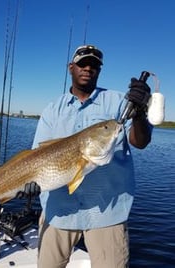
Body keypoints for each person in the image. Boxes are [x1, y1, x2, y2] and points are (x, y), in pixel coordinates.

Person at [31, 45, 152, 268]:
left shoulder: (119, 102)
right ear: (71, 68)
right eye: (83, 63)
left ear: (99, 70)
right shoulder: (52, 110)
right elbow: (38, 154)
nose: (88, 68)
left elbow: (140, 142)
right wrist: (29, 181)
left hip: (106, 212)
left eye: (94, 65)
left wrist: (140, 113)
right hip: (58, 211)